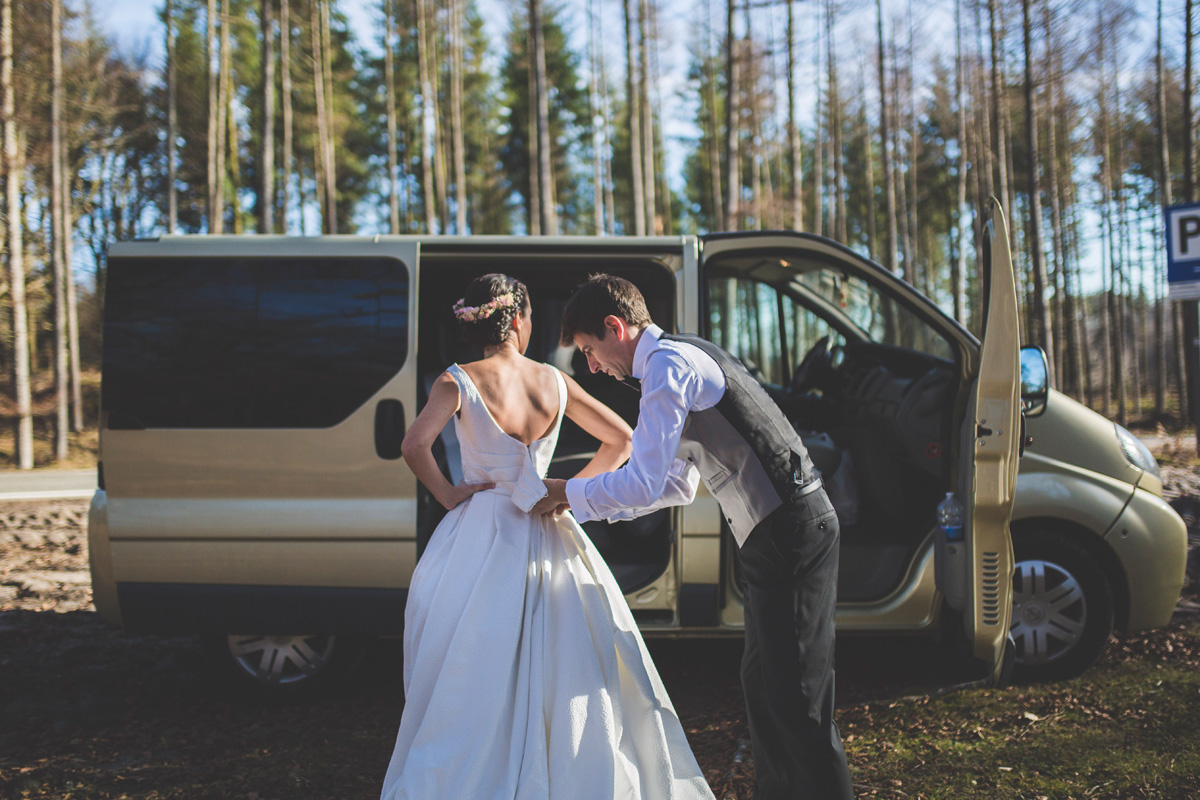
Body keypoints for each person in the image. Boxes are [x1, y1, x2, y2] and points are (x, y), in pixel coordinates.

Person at [380, 274, 715, 800]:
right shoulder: (554, 382)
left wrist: (450, 496)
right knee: (566, 657)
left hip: (482, 529)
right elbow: (621, 438)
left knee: (473, 657)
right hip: (548, 524)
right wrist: (568, 494)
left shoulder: (457, 380)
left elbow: (413, 444)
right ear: (518, 320)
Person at [533, 274, 854, 800]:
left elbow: (642, 481)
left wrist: (570, 492)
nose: (590, 367)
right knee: (765, 688)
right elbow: (675, 485)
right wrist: (584, 501)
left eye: (590, 350)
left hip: (791, 534)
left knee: (798, 702)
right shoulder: (672, 360)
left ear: (616, 327)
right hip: (772, 538)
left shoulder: (667, 366)